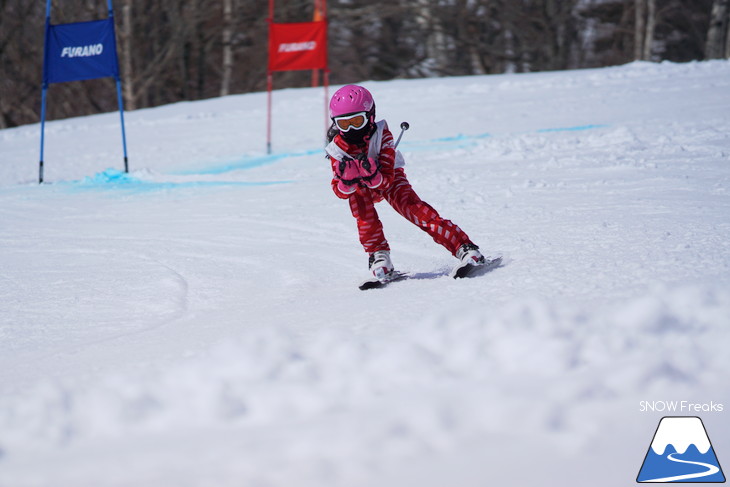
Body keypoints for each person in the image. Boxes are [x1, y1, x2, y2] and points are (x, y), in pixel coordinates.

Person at [325, 84, 490, 281]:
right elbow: (339, 191)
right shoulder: (337, 149)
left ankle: (464, 248)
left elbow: (387, 178)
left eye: (357, 121)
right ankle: (378, 255)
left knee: (415, 210)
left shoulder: (381, 134)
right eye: (344, 124)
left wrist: (374, 177)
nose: (351, 129)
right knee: (362, 210)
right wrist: (347, 183)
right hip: (361, 185)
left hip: (390, 178)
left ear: (370, 116)